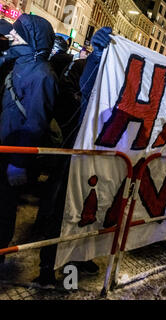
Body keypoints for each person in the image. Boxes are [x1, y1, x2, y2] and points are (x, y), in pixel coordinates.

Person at [32, 27, 113, 288]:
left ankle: (74, 270)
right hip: (74, 153)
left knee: (86, 214)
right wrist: (97, 57)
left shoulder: (115, 79)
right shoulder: (86, 69)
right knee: (61, 212)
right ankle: (48, 270)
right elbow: (84, 90)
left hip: (98, 159)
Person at [0, 14, 57, 264]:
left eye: (18, 33)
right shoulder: (17, 63)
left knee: (3, 206)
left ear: (33, 39)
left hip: (11, 156)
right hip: (3, 147)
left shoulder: (42, 75)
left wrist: (19, 162)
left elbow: (35, 123)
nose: (12, 35)